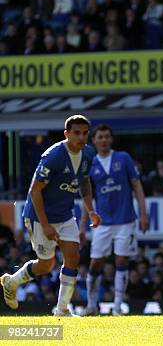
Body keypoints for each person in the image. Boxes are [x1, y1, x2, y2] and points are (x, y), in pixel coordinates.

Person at [1, 115, 101, 316]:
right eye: (76, 133)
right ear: (66, 134)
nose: (81, 137)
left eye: (85, 133)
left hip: (64, 214)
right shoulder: (54, 156)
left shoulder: (88, 154)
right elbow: (34, 191)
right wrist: (46, 225)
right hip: (39, 217)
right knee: (47, 265)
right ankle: (11, 282)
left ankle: (62, 310)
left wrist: (90, 210)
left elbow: (85, 182)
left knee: (73, 256)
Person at [80, 124, 148, 316]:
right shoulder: (90, 164)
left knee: (122, 261)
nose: (103, 140)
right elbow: (87, 197)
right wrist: (83, 226)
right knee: (95, 263)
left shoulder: (123, 158)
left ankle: (118, 306)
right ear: (93, 140)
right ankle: (91, 305)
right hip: (102, 222)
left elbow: (137, 186)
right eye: (99, 137)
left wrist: (144, 213)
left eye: (106, 136)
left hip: (125, 220)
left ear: (111, 139)